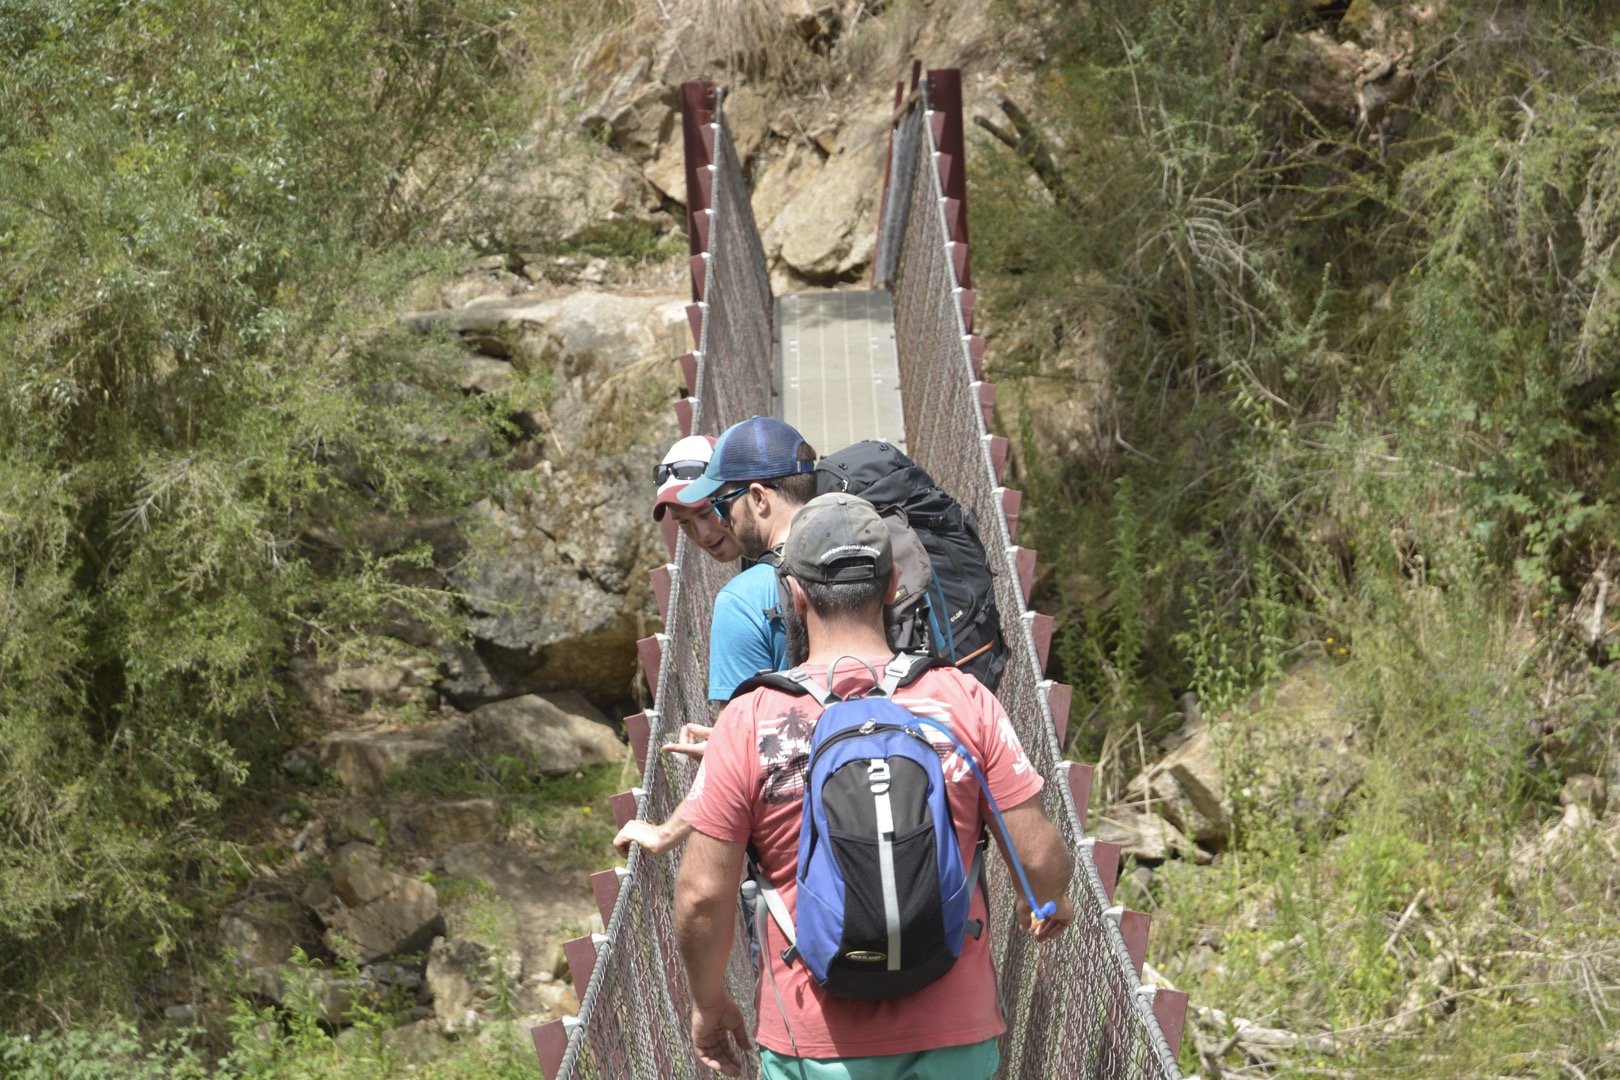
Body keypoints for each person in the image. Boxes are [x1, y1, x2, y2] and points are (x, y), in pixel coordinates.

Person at [673, 493, 1075, 1080]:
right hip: (953, 1037)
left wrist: (710, 1005)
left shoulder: (751, 719)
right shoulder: (962, 700)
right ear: (891, 587)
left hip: (811, 1043)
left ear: (796, 595)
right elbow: (1040, 857)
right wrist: (1049, 899)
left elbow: (701, 896)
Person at [677, 415, 820, 706]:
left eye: (721, 504)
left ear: (758, 497)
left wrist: (714, 745)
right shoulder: (882, 550)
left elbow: (738, 743)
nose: (723, 521)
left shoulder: (741, 599)